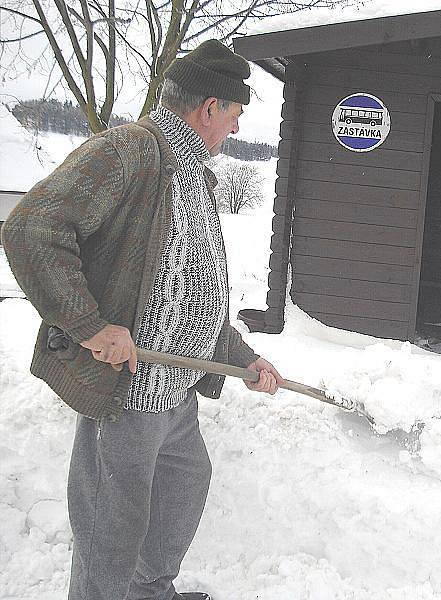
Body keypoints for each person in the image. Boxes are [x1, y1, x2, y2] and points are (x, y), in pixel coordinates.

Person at [1, 40, 283, 600]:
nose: (232, 130)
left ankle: (148, 592)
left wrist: (242, 358)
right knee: (112, 531)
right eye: (234, 117)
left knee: (184, 490)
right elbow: (33, 227)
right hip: (128, 392)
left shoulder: (195, 175)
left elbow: (188, 295)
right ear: (208, 108)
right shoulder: (133, 150)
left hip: (177, 392)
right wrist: (87, 325)